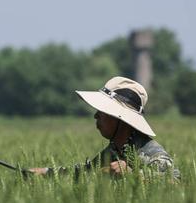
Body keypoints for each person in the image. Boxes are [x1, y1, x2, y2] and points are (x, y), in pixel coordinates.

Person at [29, 76, 179, 179]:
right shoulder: (113, 150)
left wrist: (133, 175)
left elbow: (177, 181)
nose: (96, 116)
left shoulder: (153, 153)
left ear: (120, 118)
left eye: (102, 112)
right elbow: (84, 173)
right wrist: (42, 172)